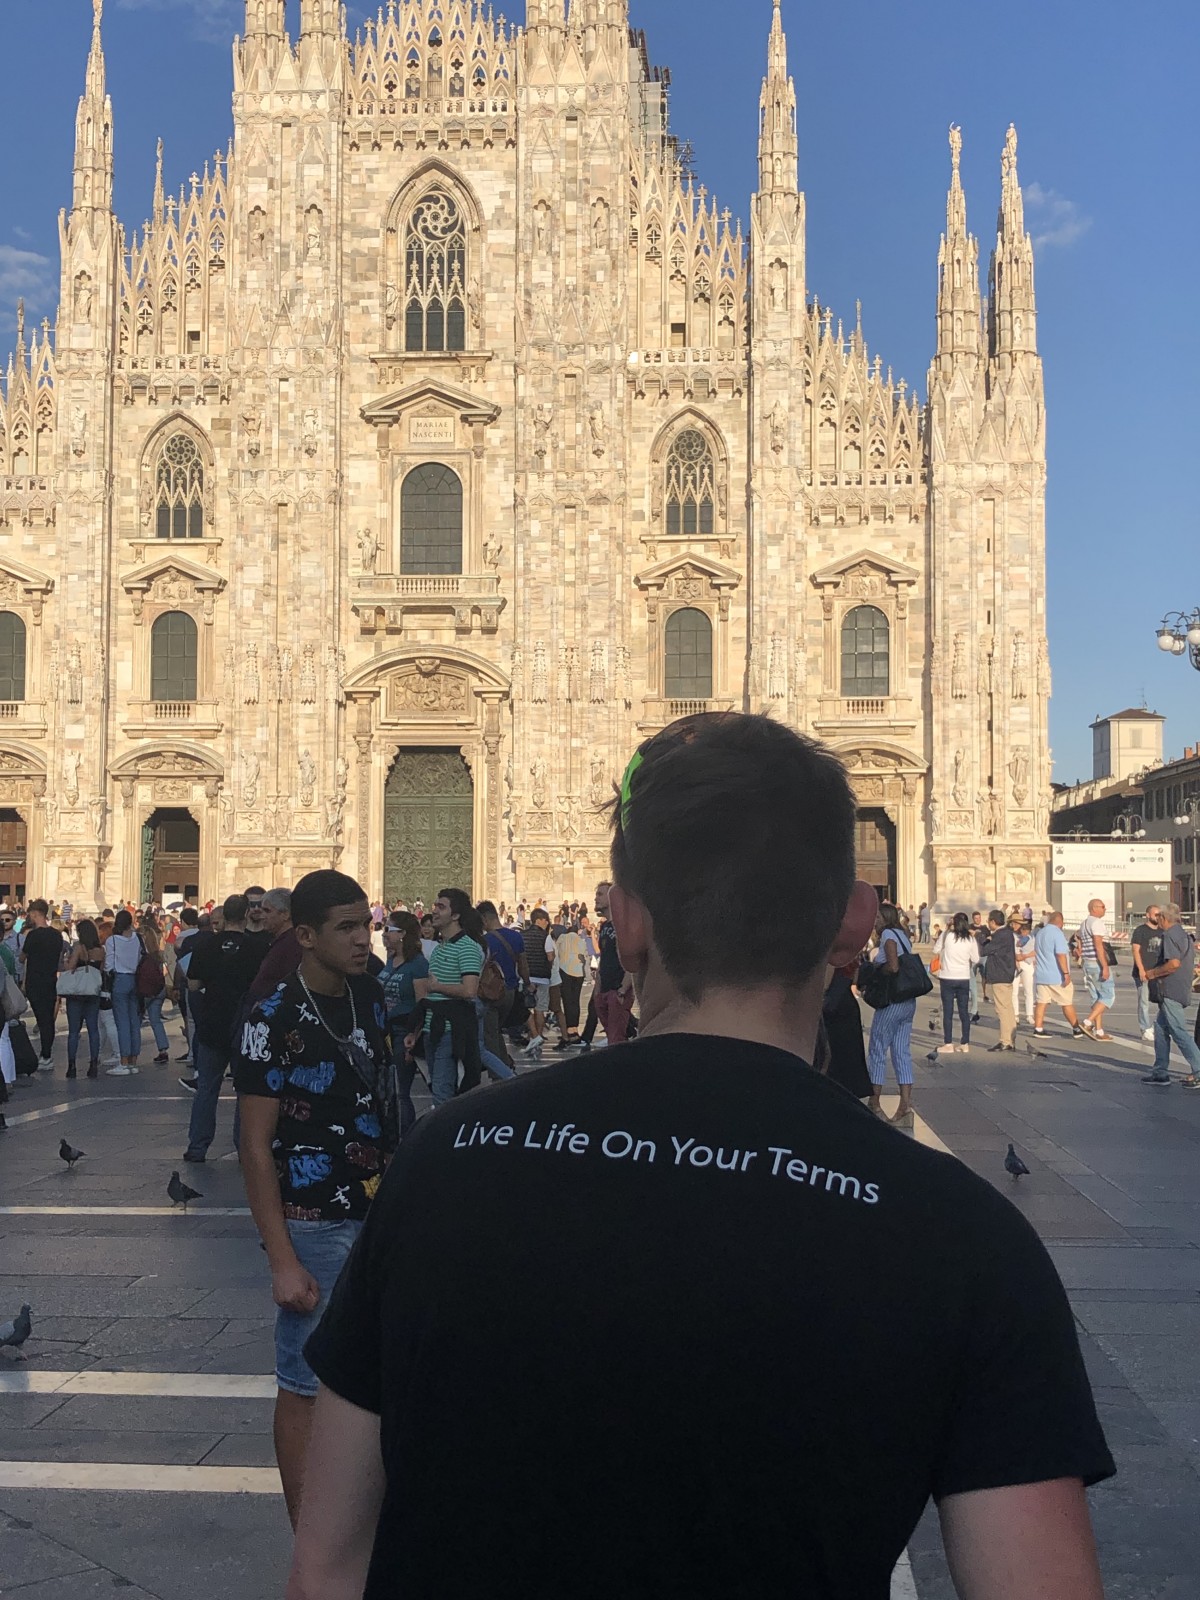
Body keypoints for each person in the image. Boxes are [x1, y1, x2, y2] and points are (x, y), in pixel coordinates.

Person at [291, 712, 1113, 1600]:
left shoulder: (442, 1160)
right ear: (855, 921)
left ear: (626, 924)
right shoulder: (966, 1240)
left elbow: (327, 1570)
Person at [234, 869, 395, 1526]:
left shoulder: (371, 996)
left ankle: (360, 1517)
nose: (364, 939)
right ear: (304, 935)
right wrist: (281, 1258)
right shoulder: (271, 1018)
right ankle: (308, 1532)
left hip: (378, 1211)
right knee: (304, 1385)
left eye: (368, 925)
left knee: (374, 1377)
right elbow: (252, 1144)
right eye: (347, 928)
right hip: (313, 1221)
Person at [183, 895, 264, 1162]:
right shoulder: (258, 947)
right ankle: (244, 1148)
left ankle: (197, 1146)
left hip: (212, 1022)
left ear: (223, 917)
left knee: (206, 1088)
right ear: (246, 915)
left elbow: (193, 985)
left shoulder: (206, 945)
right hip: (245, 1025)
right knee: (245, 1090)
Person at [409, 888, 485, 1107]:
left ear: (456, 915)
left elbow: (470, 990)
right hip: (432, 1027)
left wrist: (437, 986)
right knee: (438, 1088)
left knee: (442, 1094)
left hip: (450, 1030)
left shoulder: (467, 948)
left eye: (441, 907)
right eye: (435, 906)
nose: (434, 911)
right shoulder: (441, 948)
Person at [864, 904, 916, 1126]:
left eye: (876, 916)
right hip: (908, 1000)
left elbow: (893, 967)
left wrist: (878, 970)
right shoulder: (903, 934)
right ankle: (905, 1106)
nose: (874, 920)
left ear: (885, 918)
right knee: (902, 1051)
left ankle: (874, 1103)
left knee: (877, 1048)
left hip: (892, 1001)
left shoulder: (887, 934)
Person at [1140, 903, 1200, 1089]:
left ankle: (1198, 1069)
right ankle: (1160, 1072)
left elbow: (1173, 964)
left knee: (1178, 1030)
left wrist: (1152, 973)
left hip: (1170, 989)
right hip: (1179, 988)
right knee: (1160, 1028)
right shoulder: (1184, 935)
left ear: (1164, 918)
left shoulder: (1169, 935)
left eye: (1159, 916)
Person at [380, 912, 428, 1137]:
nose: (385, 933)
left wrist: (415, 1039)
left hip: (404, 1031)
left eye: (390, 929)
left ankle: (405, 1138)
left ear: (403, 935)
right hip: (386, 1030)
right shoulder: (391, 960)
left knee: (401, 1091)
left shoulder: (418, 964)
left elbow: (422, 1003)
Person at [578, 880, 634, 1050]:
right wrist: (598, 988)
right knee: (613, 1037)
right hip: (605, 990)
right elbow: (604, 957)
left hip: (618, 989)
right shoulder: (605, 927)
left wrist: (623, 989)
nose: (596, 899)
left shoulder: (623, 924)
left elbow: (631, 957)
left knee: (616, 1040)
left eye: (600, 895)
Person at [20, 899, 64, 1068]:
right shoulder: (56, 935)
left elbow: (22, 957)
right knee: (47, 1019)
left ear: (35, 914)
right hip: (50, 980)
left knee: (41, 1018)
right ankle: (46, 1054)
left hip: (34, 981)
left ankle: (45, 1056)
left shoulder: (33, 935)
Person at [62, 918, 104, 1080]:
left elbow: (70, 968)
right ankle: (93, 1064)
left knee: (73, 1031)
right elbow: (100, 970)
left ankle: (71, 1066)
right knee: (93, 1029)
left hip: (77, 993)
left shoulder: (79, 948)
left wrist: (66, 960)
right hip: (92, 992)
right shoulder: (100, 950)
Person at [104, 908, 144, 1074]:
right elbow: (141, 957)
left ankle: (124, 1061)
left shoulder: (112, 940)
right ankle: (134, 1060)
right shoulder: (138, 938)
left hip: (120, 978)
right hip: (135, 979)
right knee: (134, 1020)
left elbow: (109, 964)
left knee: (122, 1022)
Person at [246, 888, 303, 1006]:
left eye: (267, 911)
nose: (262, 915)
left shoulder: (291, 944)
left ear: (285, 914)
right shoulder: (282, 941)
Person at [1033, 912, 1084, 1039]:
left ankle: (1038, 1028)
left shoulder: (1040, 933)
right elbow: (1060, 954)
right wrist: (1066, 973)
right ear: (1060, 922)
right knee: (1066, 1002)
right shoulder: (1057, 933)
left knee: (1041, 1002)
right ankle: (1076, 1028)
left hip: (1041, 974)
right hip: (1056, 975)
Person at [932, 912, 977, 1053]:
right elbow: (975, 959)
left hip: (947, 977)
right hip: (963, 977)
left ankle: (948, 1043)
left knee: (948, 1011)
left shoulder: (946, 935)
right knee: (963, 1011)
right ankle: (965, 1043)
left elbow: (935, 950)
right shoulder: (970, 939)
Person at [1077, 899, 1115, 1042]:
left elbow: (1079, 938)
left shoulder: (1085, 923)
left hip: (1087, 962)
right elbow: (1099, 946)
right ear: (1094, 908)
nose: (1105, 909)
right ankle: (1087, 1023)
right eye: (1103, 907)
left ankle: (1099, 1031)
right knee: (1108, 996)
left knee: (1097, 998)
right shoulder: (1097, 923)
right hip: (1097, 963)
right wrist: (1104, 966)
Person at [981, 909, 1017, 1052]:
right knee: (1008, 1008)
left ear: (993, 922)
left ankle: (1005, 1041)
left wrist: (984, 939)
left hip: (1000, 975)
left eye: (989, 921)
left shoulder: (1000, 935)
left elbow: (984, 951)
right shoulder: (1008, 933)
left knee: (1002, 1009)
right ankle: (1011, 1039)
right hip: (1006, 974)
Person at [138, 915, 171, 1064]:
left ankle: (132, 1051)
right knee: (155, 1020)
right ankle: (163, 1049)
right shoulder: (157, 954)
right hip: (159, 988)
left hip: (146, 990)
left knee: (136, 1020)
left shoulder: (141, 954)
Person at [1130, 905, 1162, 1043]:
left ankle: (1160, 1026)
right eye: (1155, 914)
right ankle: (1145, 1028)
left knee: (1163, 1001)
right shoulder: (1140, 931)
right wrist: (1141, 969)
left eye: (1159, 914)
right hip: (1143, 971)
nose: (1158, 917)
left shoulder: (1162, 931)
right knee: (1144, 1001)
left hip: (1159, 972)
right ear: (1148, 915)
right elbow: (1135, 950)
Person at [554, 919, 587, 1049]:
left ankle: (569, 1030)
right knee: (575, 1001)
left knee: (567, 1002)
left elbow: (556, 953)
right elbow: (584, 957)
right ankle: (575, 1029)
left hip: (566, 970)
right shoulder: (581, 940)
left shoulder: (563, 937)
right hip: (579, 973)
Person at [1012, 917, 1036, 1027]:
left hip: (1027, 964)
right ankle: (1015, 1014)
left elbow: (1035, 951)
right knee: (1014, 990)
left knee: (1029, 990)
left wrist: (1025, 956)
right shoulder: (1014, 937)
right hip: (1017, 964)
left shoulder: (1032, 938)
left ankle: (1029, 1014)